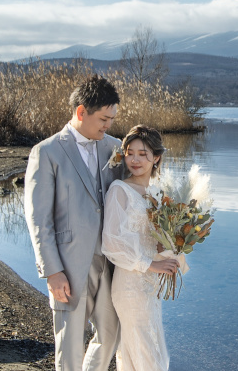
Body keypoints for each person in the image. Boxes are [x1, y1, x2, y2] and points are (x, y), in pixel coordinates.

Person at [23, 75, 122, 371]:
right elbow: (38, 219)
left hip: (112, 264)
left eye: (112, 119)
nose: (108, 125)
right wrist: (52, 271)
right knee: (70, 348)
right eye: (103, 119)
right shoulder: (47, 152)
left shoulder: (115, 148)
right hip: (69, 265)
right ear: (81, 112)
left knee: (110, 336)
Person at [101, 125, 180, 371]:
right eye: (130, 153)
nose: (135, 160)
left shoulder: (158, 193)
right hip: (130, 283)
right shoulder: (119, 190)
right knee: (146, 352)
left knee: (149, 346)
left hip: (151, 284)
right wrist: (151, 264)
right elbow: (111, 242)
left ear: (156, 158)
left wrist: (170, 248)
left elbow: (156, 238)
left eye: (142, 154)